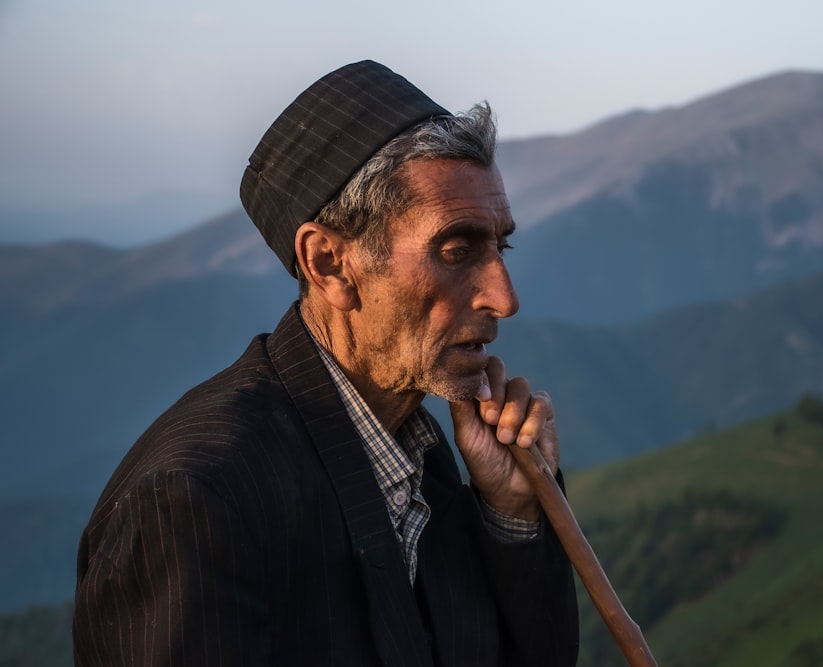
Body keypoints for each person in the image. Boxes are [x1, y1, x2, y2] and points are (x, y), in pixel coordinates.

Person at [72, 60, 579, 666]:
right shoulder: (195, 500)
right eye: (456, 250)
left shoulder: (426, 457)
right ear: (330, 264)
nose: (505, 297)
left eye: (501, 246)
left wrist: (512, 513)